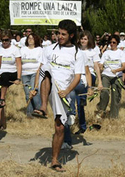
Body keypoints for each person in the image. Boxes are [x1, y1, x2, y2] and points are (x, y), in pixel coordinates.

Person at [31, 19, 85, 172]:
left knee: (60, 127)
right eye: (58, 33)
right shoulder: (48, 49)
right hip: (47, 88)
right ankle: (42, 107)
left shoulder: (77, 53)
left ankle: (55, 160)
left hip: (63, 92)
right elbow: (40, 69)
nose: (59, 36)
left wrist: (67, 91)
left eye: (63, 34)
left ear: (71, 35)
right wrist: (35, 87)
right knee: (47, 69)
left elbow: (77, 77)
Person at [74, 30, 102, 134]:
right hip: (78, 75)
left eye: (85, 39)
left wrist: (99, 82)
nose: (83, 41)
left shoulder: (92, 52)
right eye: (81, 38)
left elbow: (96, 67)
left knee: (80, 101)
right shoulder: (76, 50)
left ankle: (82, 125)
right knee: (77, 101)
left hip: (89, 76)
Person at [95, 35, 125, 119]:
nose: (112, 44)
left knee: (115, 95)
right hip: (106, 75)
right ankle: (101, 111)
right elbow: (101, 64)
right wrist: (100, 66)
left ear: (117, 43)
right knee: (104, 92)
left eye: (114, 42)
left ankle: (114, 116)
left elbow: (124, 67)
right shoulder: (106, 53)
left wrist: (116, 70)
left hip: (117, 76)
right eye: (110, 42)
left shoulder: (121, 53)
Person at [0, 30, 22, 130]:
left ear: (10, 39)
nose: (4, 42)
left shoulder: (15, 49)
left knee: (5, 76)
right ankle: (2, 123)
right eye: (3, 40)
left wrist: (19, 78)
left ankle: (3, 98)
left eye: (6, 40)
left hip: (12, 73)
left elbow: (19, 64)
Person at [20, 33, 42, 118]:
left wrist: (38, 72)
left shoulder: (39, 49)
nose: (30, 40)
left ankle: (38, 110)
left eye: (32, 38)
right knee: (27, 93)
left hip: (35, 73)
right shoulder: (23, 49)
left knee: (33, 91)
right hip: (25, 73)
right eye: (29, 38)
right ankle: (29, 113)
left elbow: (41, 62)